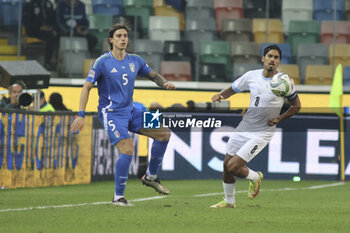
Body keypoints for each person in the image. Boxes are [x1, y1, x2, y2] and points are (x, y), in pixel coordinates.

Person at [70, 23, 176, 207]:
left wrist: (164, 82)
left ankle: (150, 177)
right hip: (111, 113)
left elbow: (153, 75)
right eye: (119, 36)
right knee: (127, 149)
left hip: (132, 110)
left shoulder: (135, 60)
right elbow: (87, 87)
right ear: (111, 40)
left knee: (164, 134)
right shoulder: (102, 61)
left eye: (125, 35)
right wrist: (81, 114)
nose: (123, 39)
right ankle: (118, 197)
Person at [210, 45, 301, 208]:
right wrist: (221, 95)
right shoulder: (251, 76)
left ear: (279, 62)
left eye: (276, 57)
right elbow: (233, 88)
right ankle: (229, 202)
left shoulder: (284, 82)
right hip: (245, 127)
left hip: (262, 132)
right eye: (270, 56)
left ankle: (255, 177)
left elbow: (297, 105)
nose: (273, 60)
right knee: (226, 165)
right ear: (263, 58)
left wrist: (280, 118)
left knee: (233, 166)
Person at [23, 0, 58, 70]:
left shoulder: (48, 4)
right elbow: (27, 23)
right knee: (50, 37)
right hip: (34, 31)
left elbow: (54, 19)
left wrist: (53, 28)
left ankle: (56, 62)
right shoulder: (30, 4)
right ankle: (47, 62)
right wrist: (39, 27)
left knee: (56, 35)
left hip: (48, 30)